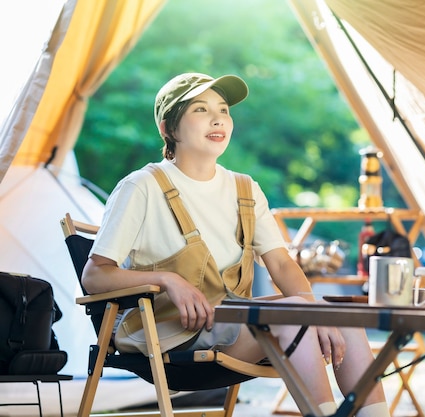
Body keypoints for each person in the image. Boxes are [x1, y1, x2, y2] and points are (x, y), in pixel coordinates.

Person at [81, 72, 390, 417]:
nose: (217, 118)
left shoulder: (245, 188)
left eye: (223, 109)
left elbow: (283, 265)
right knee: (289, 315)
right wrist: (170, 280)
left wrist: (314, 308)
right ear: (169, 128)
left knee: (343, 314)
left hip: (232, 326)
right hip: (168, 338)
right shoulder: (142, 187)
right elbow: (95, 276)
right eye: (200, 109)